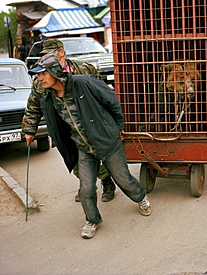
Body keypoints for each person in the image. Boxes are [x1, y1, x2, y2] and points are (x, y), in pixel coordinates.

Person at [26, 53, 151, 239]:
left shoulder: (84, 83)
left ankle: (140, 198)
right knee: (86, 188)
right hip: (83, 146)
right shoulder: (48, 98)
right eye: (38, 75)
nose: (40, 78)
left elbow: (111, 100)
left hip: (106, 141)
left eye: (43, 73)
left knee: (123, 178)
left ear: (54, 72)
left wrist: (117, 127)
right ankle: (92, 220)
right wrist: (29, 130)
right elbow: (34, 109)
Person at [22, 39, 116, 203]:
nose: (47, 58)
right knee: (73, 158)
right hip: (63, 126)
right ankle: (87, 185)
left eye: (51, 54)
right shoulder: (40, 79)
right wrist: (29, 130)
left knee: (96, 152)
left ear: (61, 53)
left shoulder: (83, 68)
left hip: (89, 121)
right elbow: (33, 106)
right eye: (44, 55)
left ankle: (107, 181)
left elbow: (101, 92)